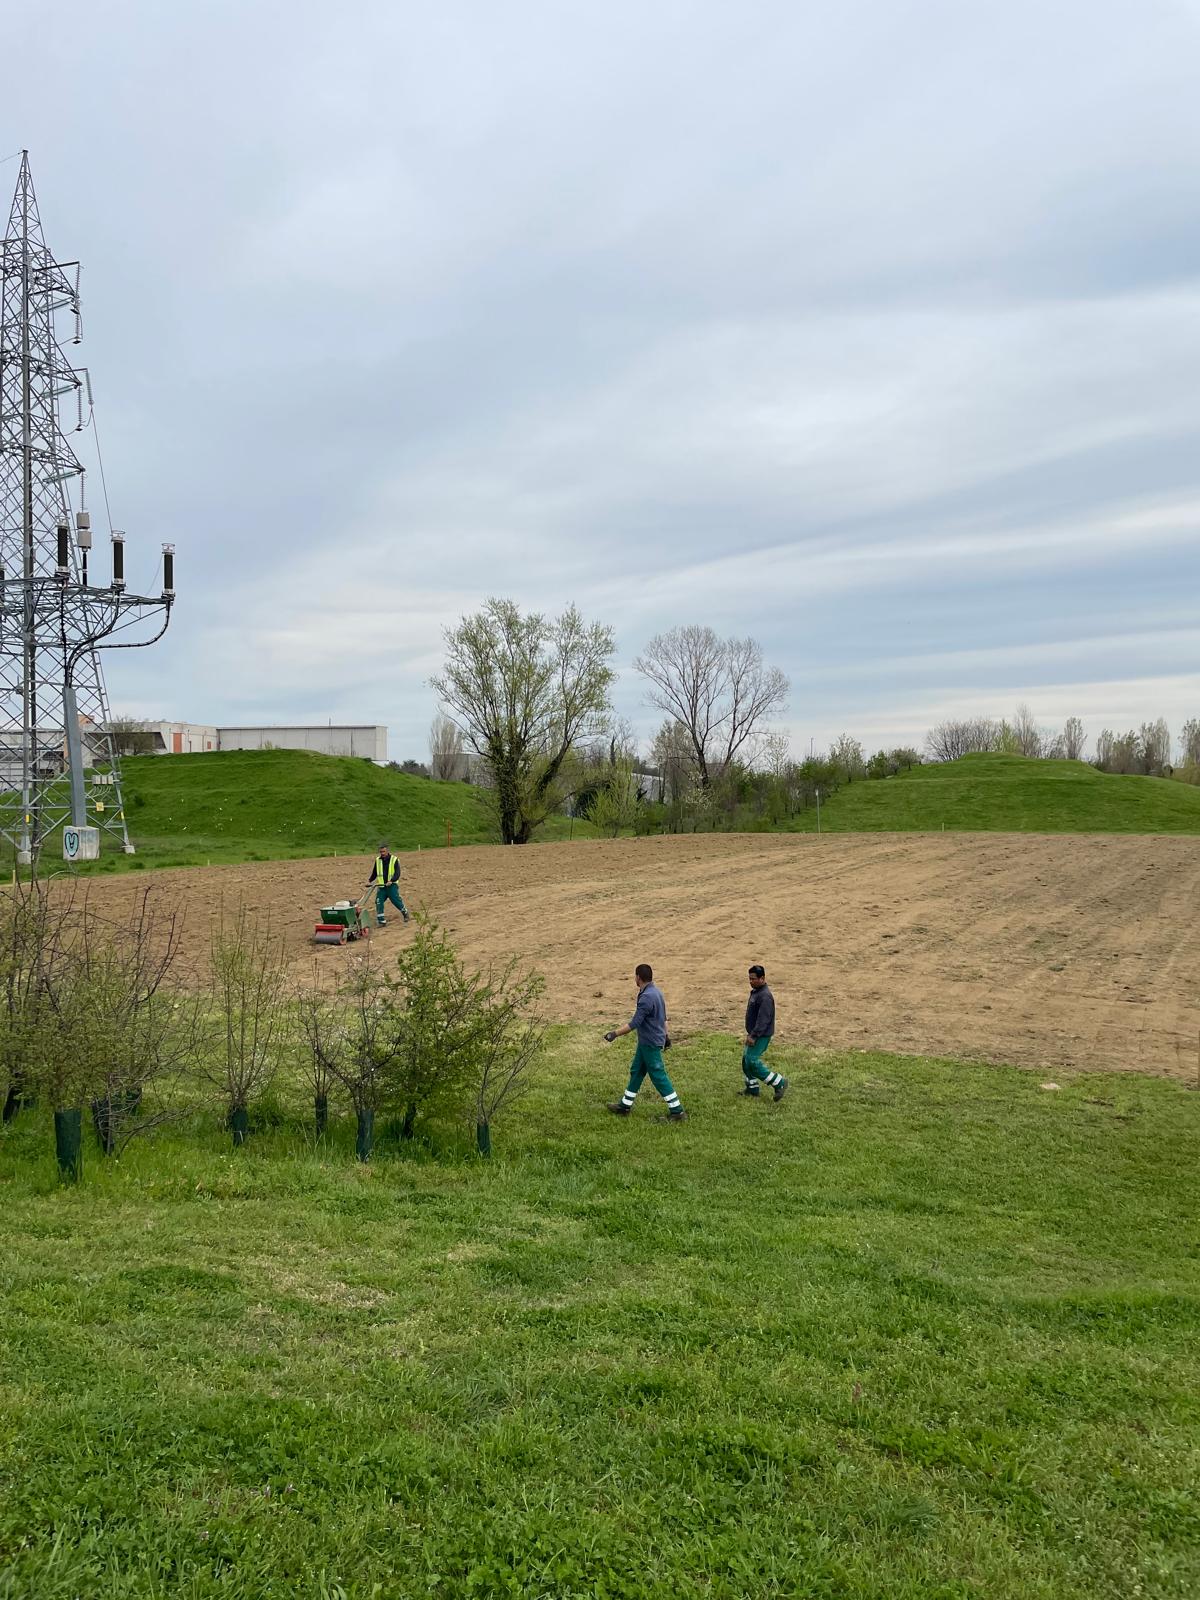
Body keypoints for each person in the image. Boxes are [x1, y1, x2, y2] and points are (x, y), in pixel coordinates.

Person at [604, 963, 686, 1121]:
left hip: (650, 1043)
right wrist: (666, 1037)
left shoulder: (647, 997)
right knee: (637, 1071)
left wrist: (614, 1034)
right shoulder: (657, 992)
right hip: (648, 1042)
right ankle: (624, 1106)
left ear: (638, 977)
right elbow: (664, 1018)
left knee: (658, 1075)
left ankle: (677, 1111)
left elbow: (634, 1023)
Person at [740, 964, 787, 1100]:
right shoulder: (757, 992)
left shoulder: (765, 996)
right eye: (749, 978)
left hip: (760, 1035)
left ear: (762, 978)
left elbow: (763, 1019)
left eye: (753, 979)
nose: (751, 981)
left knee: (752, 1061)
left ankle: (779, 1082)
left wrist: (754, 1036)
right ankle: (752, 1088)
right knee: (746, 1061)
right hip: (754, 1033)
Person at [367, 844, 410, 927]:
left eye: (384, 851)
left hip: (391, 886)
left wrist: (392, 880)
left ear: (387, 851)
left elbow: (397, 873)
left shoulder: (394, 859)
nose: (382, 853)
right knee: (378, 902)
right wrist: (369, 880)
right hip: (381, 886)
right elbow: (375, 872)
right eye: (381, 852)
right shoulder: (378, 860)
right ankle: (381, 921)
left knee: (396, 901)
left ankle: (405, 913)